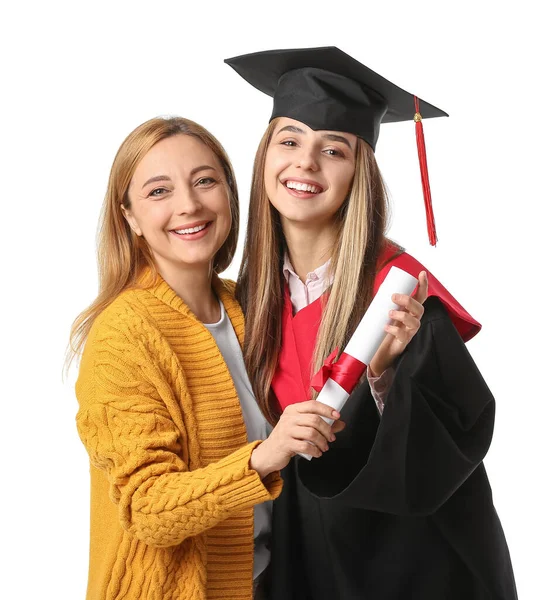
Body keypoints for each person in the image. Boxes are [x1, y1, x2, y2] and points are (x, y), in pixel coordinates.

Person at [227, 47, 518, 599]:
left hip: (405, 563)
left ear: (359, 169)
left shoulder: (400, 294)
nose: (305, 163)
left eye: (332, 149)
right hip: (294, 558)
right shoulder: (245, 299)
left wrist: (386, 376)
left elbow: (453, 442)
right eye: (289, 140)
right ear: (265, 155)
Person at [69, 116, 343, 600]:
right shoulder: (123, 337)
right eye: (159, 191)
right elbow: (148, 509)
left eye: (205, 181)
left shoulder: (252, 307)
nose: (189, 205)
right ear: (128, 216)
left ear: (230, 195)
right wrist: (266, 456)